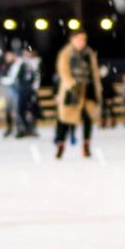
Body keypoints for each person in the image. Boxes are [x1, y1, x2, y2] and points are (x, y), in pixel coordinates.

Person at [54, 30, 101, 159]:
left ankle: (86, 146)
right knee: (65, 120)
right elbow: (63, 71)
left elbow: (94, 72)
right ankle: (60, 146)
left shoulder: (89, 53)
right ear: (72, 40)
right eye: (79, 39)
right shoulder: (66, 53)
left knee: (88, 118)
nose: (82, 42)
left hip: (87, 90)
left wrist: (97, 88)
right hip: (72, 91)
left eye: (84, 39)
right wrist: (72, 84)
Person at [12, 50, 40, 137]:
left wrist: (34, 88)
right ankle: (22, 129)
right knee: (20, 109)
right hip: (21, 90)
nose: (27, 56)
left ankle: (31, 128)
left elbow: (37, 76)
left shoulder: (34, 63)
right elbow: (14, 76)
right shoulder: (20, 64)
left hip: (31, 90)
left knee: (32, 109)